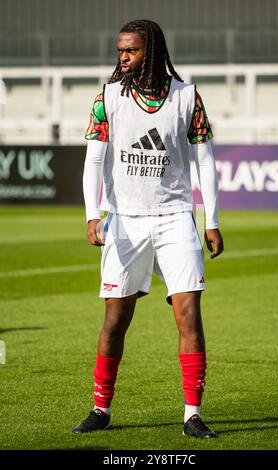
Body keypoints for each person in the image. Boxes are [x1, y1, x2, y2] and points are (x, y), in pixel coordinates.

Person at [73, 19, 223, 439]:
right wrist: (92, 214)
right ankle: (101, 409)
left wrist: (211, 220)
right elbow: (93, 162)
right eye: (120, 50)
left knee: (189, 314)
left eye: (131, 51)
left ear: (151, 51)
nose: (122, 58)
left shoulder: (187, 97)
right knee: (115, 320)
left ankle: (192, 414)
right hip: (125, 222)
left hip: (176, 218)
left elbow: (205, 162)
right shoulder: (107, 98)